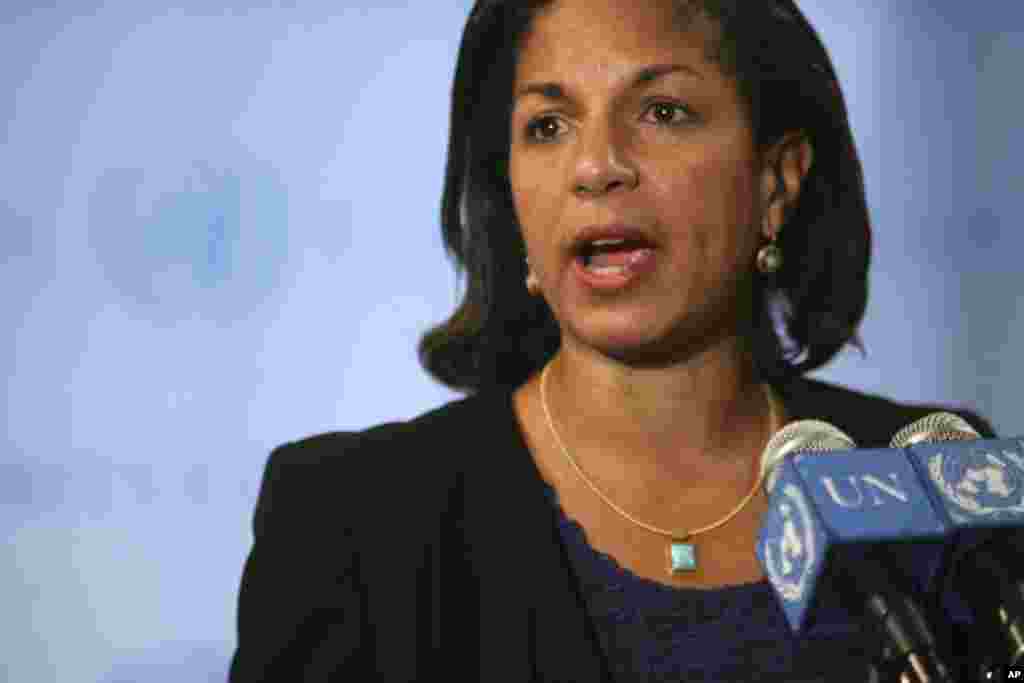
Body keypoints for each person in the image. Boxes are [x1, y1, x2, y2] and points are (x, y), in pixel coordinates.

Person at [228, 1, 997, 681]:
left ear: (777, 180)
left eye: (662, 111)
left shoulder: (937, 480)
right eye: (547, 126)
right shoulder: (351, 525)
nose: (596, 166)